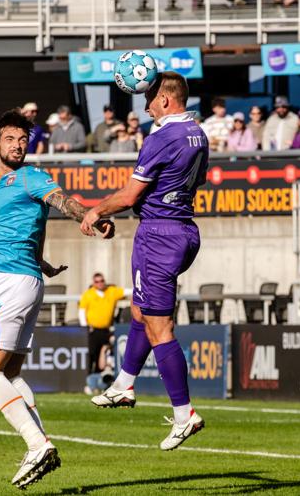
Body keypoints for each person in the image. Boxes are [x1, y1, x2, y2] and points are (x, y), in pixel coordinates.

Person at [0, 109, 114, 488]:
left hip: (12, 282)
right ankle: (41, 443)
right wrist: (44, 264)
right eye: (11, 139)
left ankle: (36, 443)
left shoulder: (30, 176)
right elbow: (32, 225)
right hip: (26, 277)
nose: (18, 145)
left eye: (23, 140)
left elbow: (63, 201)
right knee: (10, 372)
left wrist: (91, 217)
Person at [81, 71, 207, 451]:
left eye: (150, 98)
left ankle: (185, 414)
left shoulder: (160, 136)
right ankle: (123, 384)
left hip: (159, 235)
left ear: (166, 100)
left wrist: (95, 211)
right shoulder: (198, 133)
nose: (147, 105)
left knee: (158, 327)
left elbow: (131, 194)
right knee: (139, 310)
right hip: (183, 227)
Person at [78, 273, 125, 384]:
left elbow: (127, 292)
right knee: (92, 355)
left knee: (105, 354)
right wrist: (85, 326)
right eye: (97, 281)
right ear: (93, 283)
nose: (100, 283)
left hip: (107, 330)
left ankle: (102, 381)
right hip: (93, 330)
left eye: (102, 281)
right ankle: (89, 381)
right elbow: (81, 311)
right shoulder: (88, 294)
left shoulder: (111, 291)